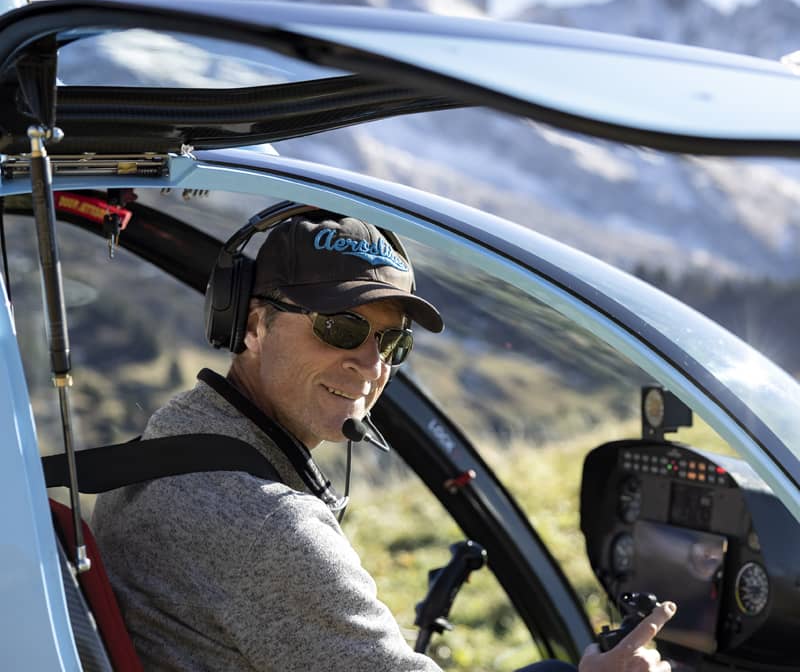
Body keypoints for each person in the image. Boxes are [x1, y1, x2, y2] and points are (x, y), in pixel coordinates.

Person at [92, 211, 675, 672]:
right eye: (339, 327)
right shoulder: (269, 525)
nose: (370, 365)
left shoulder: (174, 433)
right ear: (251, 324)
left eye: (392, 342)